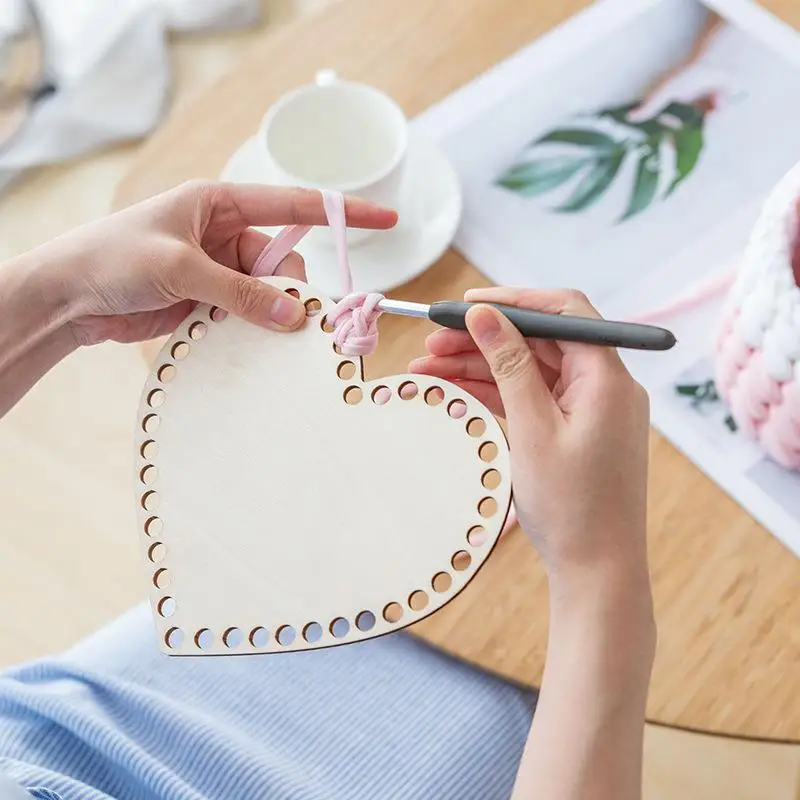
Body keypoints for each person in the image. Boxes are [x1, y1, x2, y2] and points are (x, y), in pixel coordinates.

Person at [0, 181, 655, 799]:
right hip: (244, 669)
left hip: (65, 722)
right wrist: (598, 570)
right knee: (503, 681)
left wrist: (59, 295)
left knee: (315, 550)